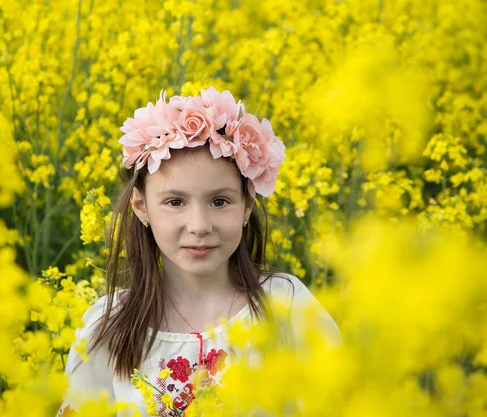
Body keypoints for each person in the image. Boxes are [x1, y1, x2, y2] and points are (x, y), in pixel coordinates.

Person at [57, 87, 341, 416]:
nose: (199, 225)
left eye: (219, 201)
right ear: (141, 206)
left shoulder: (286, 306)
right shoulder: (110, 327)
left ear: (247, 205)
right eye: (175, 202)